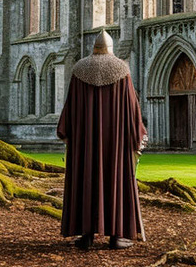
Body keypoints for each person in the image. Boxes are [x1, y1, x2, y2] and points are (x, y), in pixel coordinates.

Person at [56, 30, 146, 249]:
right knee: (115, 179)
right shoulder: (121, 69)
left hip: (84, 143)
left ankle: (86, 236)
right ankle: (116, 236)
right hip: (115, 144)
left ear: (94, 47)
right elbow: (132, 108)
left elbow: (70, 108)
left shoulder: (79, 70)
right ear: (111, 48)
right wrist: (137, 134)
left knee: (86, 178)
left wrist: (66, 132)